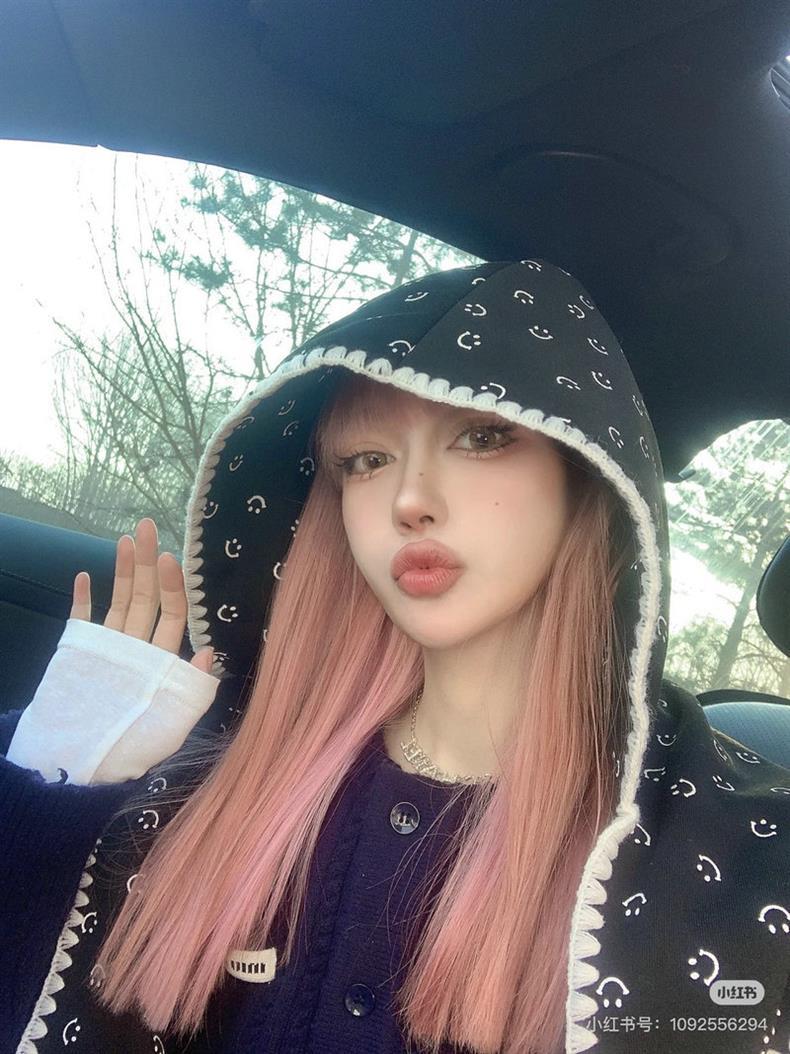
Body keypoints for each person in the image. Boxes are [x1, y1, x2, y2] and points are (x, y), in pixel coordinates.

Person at [1, 258, 788, 1054]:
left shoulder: (737, 854)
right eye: (366, 462)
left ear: (584, 473)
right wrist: (62, 771)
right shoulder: (219, 770)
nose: (410, 500)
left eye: (481, 436)